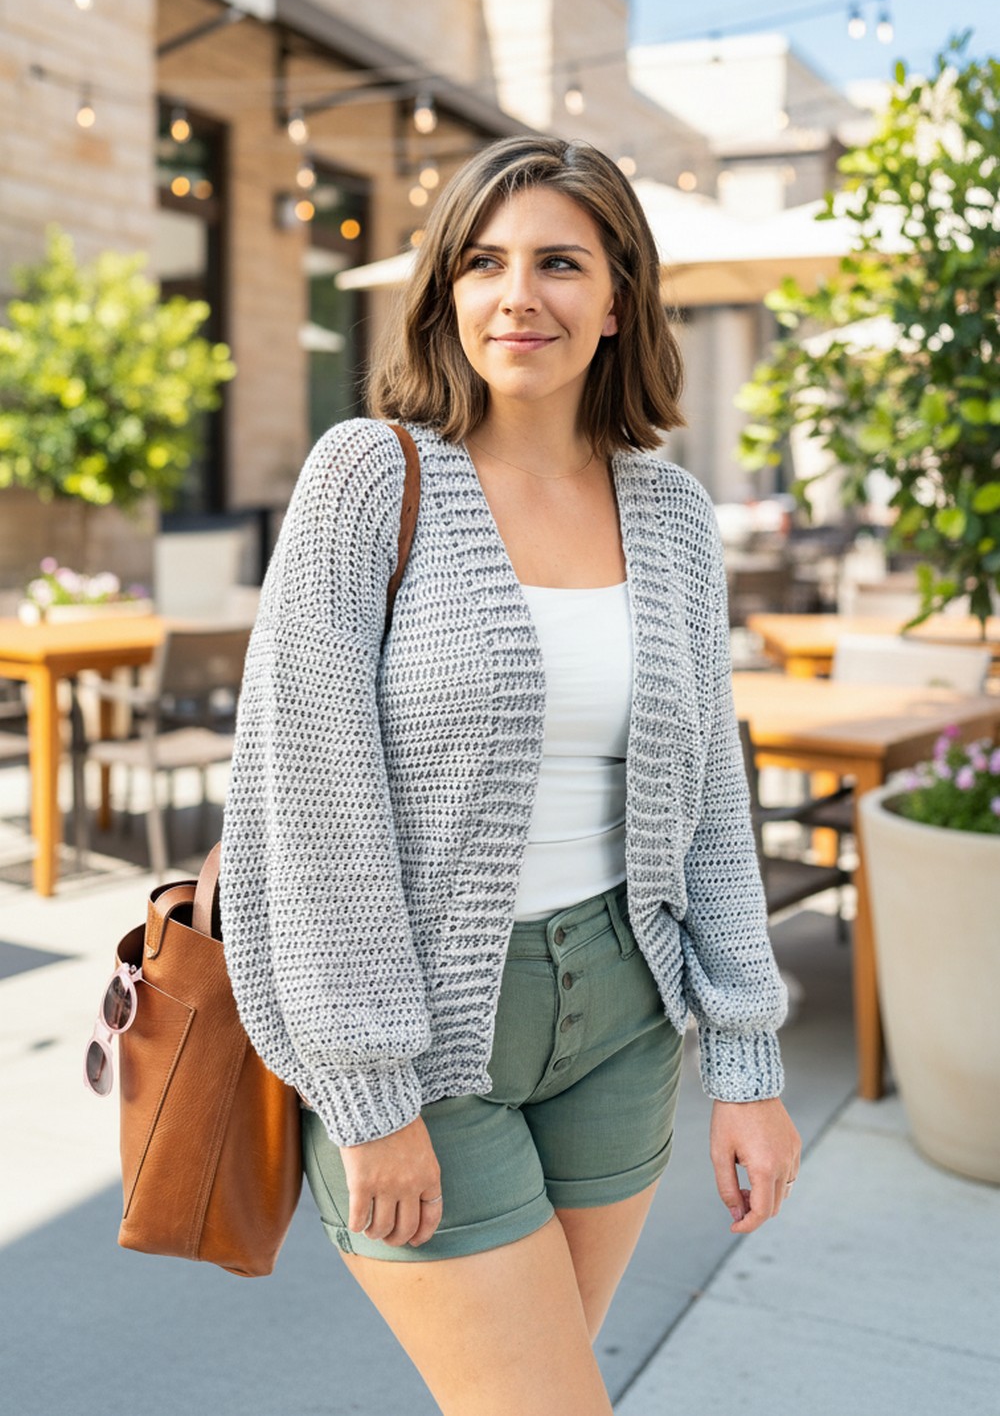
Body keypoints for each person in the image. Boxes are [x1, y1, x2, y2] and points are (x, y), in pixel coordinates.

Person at [219, 134, 801, 1416]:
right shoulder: (371, 478)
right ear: (444, 292)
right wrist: (369, 1096)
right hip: (423, 1033)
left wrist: (747, 1066)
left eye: (557, 262)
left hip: (624, 1018)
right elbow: (306, 805)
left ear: (617, 297)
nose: (515, 295)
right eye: (480, 262)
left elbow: (710, 803)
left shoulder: (671, 515)